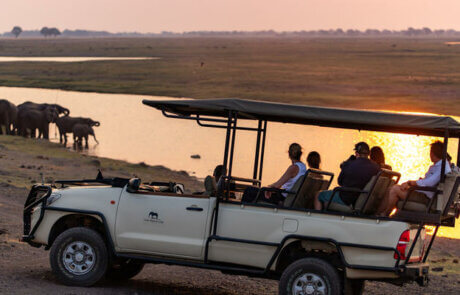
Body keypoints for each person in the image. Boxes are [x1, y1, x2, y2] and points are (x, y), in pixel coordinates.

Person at [378, 141, 451, 215]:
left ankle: (384, 214)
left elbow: (429, 183)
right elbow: (427, 181)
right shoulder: (437, 166)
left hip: (425, 197)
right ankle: (378, 214)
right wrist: (415, 184)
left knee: (394, 189)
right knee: (390, 189)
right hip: (423, 193)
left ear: (433, 153)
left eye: (430, 152)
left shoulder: (442, 167)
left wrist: (410, 182)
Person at [314, 142, 380, 210]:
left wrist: (346, 163)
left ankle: (316, 218)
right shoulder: (376, 168)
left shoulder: (349, 165)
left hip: (346, 199)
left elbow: (339, 181)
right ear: (369, 154)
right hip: (361, 199)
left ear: (356, 153)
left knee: (319, 195)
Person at [242, 143, 306, 204]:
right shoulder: (303, 166)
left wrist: (268, 188)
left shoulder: (293, 168)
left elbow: (278, 185)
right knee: (257, 191)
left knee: (249, 190)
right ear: (300, 154)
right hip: (288, 195)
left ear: (289, 154)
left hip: (281, 197)